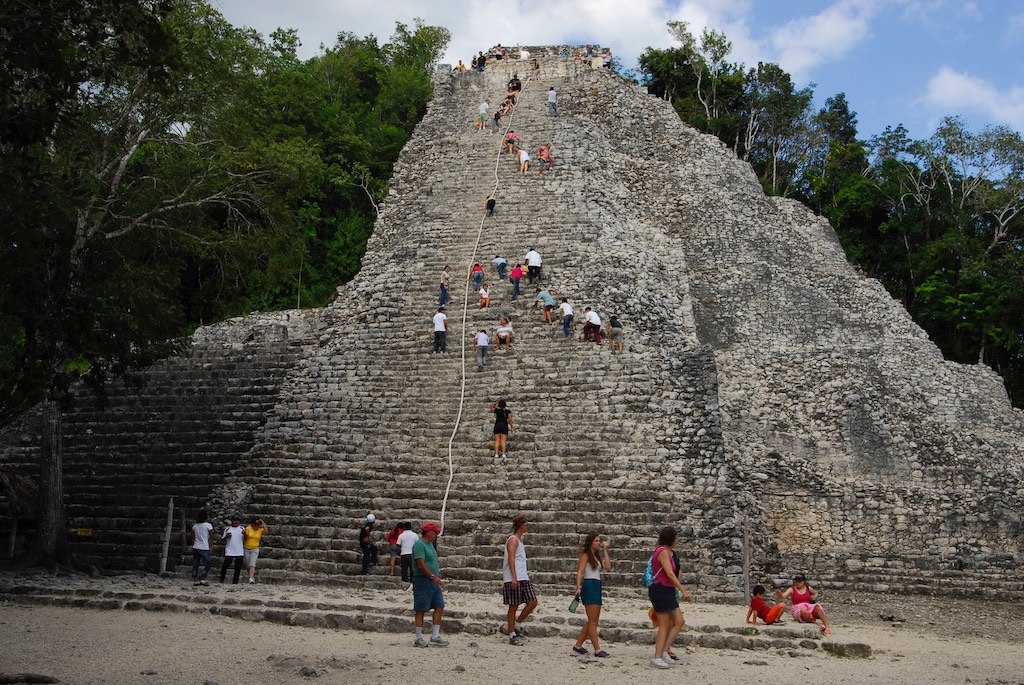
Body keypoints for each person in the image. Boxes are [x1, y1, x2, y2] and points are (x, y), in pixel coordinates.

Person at [647, 526, 692, 669]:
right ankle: (657, 656)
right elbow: (669, 574)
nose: (678, 540)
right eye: (676, 537)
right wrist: (683, 590)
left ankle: (665, 650)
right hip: (661, 589)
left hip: (668, 590)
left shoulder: (668, 552)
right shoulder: (662, 552)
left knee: (679, 621)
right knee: (664, 624)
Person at [572, 532, 612, 657]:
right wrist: (578, 587)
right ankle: (597, 649)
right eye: (596, 541)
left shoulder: (596, 557)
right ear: (590, 542)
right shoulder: (585, 556)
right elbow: (579, 572)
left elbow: (608, 567)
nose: (599, 543)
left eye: (599, 541)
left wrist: (605, 550)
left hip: (596, 585)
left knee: (592, 620)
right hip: (589, 585)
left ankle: (578, 645)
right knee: (593, 621)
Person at [502, 514, 538, 645]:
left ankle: (517, 625)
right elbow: (511, 558)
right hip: (515, 576)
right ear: (521, 526)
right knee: (513, 605)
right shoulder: (513, 540)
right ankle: (512, 634)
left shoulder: (519, 541)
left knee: (532, 601)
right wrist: (514, 577)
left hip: (523, 576)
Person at [412, 521, 449, 647]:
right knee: (421, 608)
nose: (437, 534)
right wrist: (432, 576)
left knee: (439, 605)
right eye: (435, 532)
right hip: (423, 579)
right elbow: (420, 563)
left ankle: (435, 635)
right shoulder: (419, 545)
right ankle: (418, 637)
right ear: (429, 532)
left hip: (433, 580)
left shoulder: (430, 545)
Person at [190, 511, 214, 587]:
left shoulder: (195, 526)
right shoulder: (208, 525)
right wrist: (211, 546)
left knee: (195, 563)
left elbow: (192, 536)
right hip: (204, 547)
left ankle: (195, 578)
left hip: (196, 546)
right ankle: (203, 577)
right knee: (208, 563)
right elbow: (212, 536)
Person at [219, 515, 245, 584]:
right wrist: (226, 537)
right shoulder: (228, 529)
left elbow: (246, 538)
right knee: (225, 565)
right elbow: (222, 540)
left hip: (239, 551)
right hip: (230, 551)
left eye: (238, 521)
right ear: (232, 521)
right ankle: (222, 579)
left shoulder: (242, 529)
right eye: (235, 520)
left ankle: (235, 581)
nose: (236, 522)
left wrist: (245, 534)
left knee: (238, 568)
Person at [242, 517, 268, 584]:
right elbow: (246, 535)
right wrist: (245, 534)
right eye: (255, 524)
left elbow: (266, 531)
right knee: (247, 565)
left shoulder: (260, 530)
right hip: (246, 548)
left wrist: (263, 522)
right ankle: (251, 576)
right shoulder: (248, 528)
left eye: (258, 524)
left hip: (255, 548)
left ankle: (250, 578)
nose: (256, 526)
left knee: (252, 563)